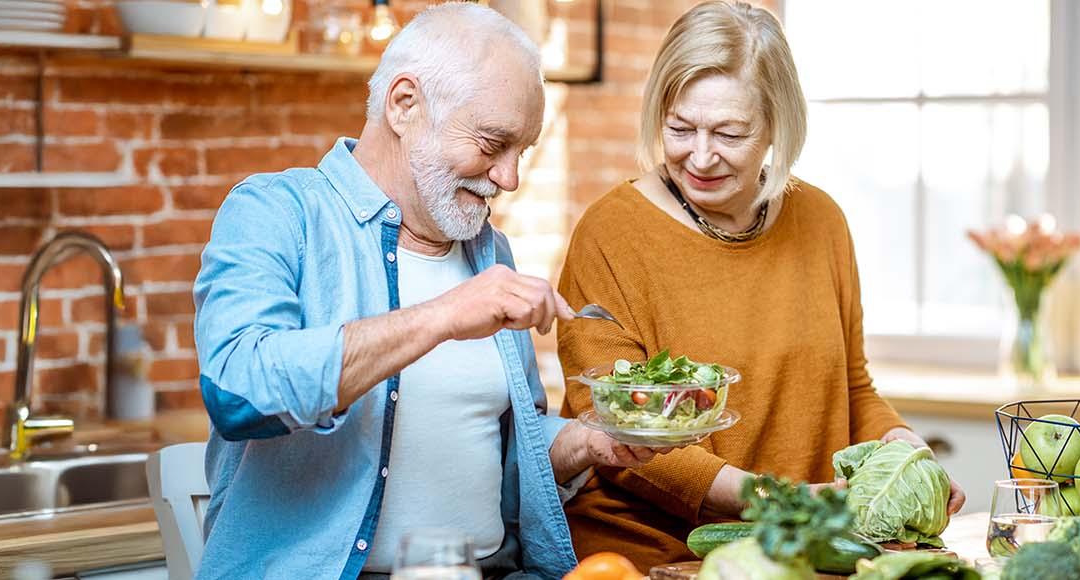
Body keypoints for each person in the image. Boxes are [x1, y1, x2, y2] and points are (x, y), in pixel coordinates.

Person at [191, 4, 658, 578]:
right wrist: (442, 316)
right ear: (404, 104)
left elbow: (500, 449)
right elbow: (238, 391)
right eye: (492, 143)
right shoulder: (276, 212)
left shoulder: (490, 252)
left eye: (523, 152)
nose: (508, 177)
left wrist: (587, 445)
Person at [555, 1, 968, 568]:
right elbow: (614, 428)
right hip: (650, 557)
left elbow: (853, 388)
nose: (699, 156)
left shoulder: (821, 221)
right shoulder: (611, 233)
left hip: (797, 549)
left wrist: (906, 452)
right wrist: (773, 500)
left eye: (729, 132)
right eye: (679, 128)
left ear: (777, 125)